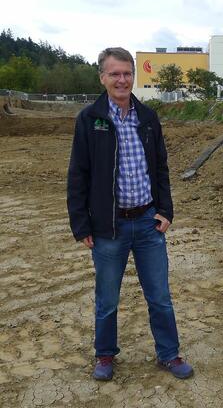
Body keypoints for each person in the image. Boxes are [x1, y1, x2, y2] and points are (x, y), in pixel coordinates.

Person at [67, 47, 193, 381]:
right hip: (109, 227)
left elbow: (162, 168)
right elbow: (77, 175)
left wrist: (165, 211)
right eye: (115, 74)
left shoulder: (147, 117)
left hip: (149, 224)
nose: (122, 80)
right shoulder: (90, 119)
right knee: (107, 298)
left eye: (127, 73)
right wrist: (81, 225)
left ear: (133, 75)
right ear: (102, 77)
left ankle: (169, 354)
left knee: (160, 297)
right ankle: (105, 355)